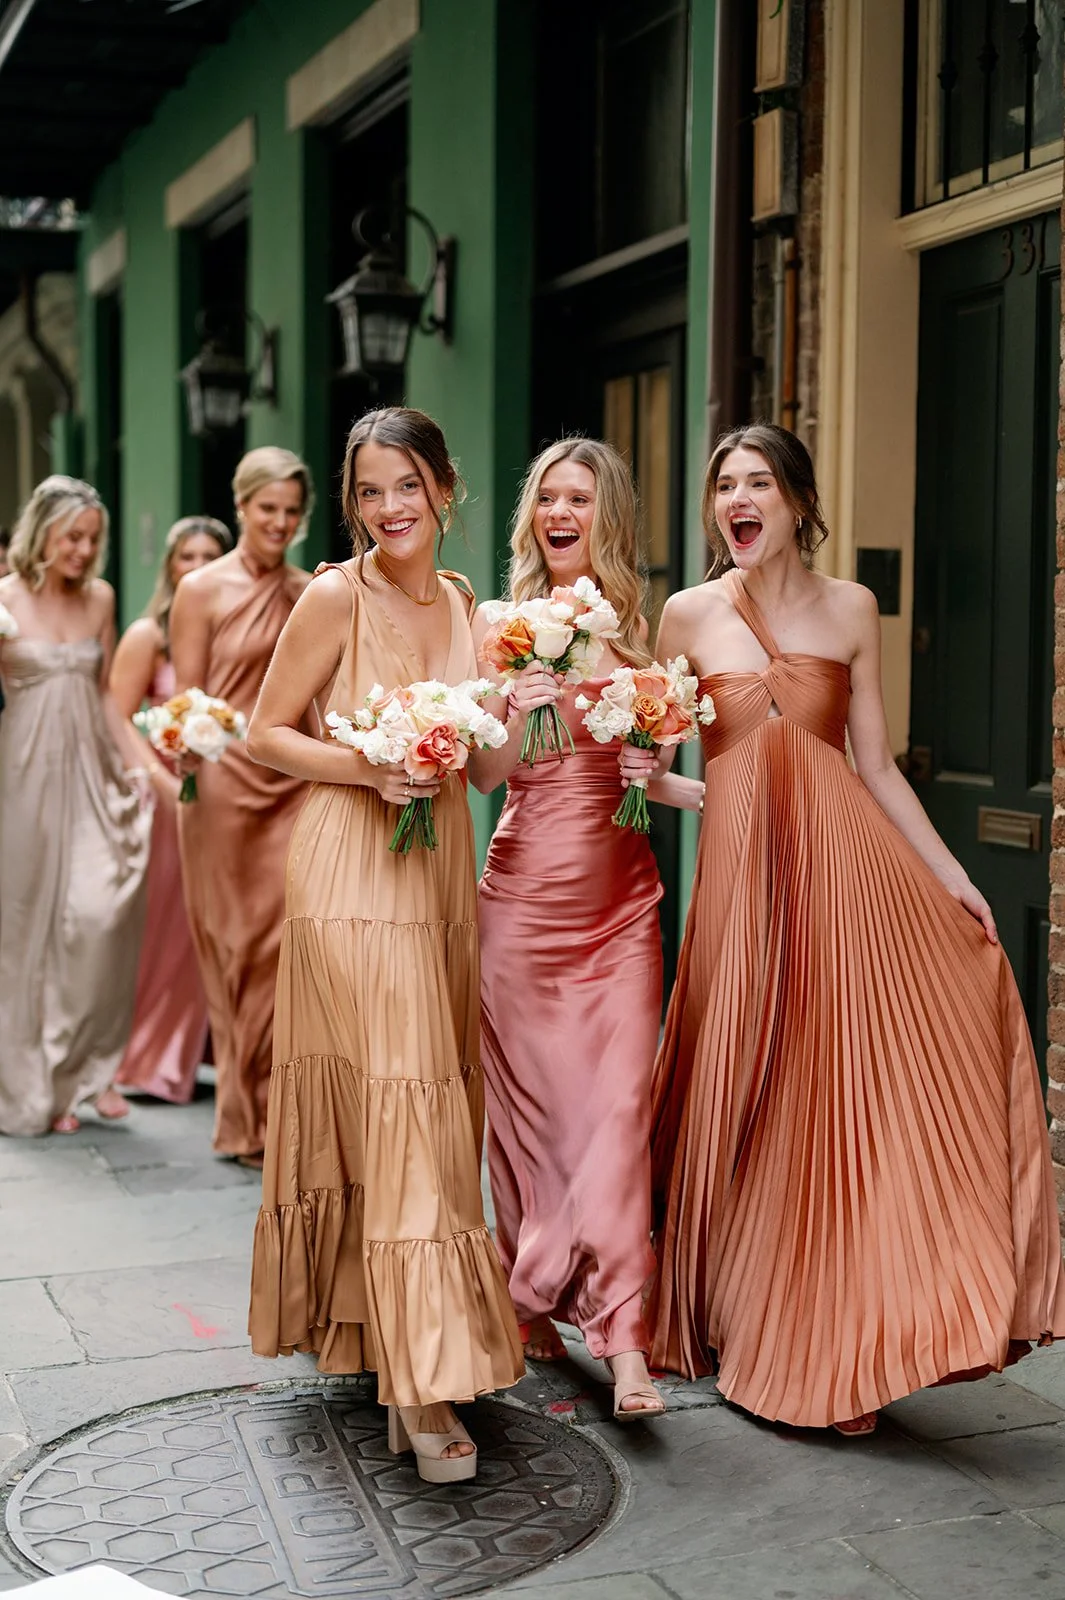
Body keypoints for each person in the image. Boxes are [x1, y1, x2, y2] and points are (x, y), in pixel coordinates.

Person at [647, 422, 1065, 1435]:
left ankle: (833, 1339)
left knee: (827, 1092)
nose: (736, 500)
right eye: (723, 487)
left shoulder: (852, 606)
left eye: (756, 483)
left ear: (796, 499)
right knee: (750, 1077)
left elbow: (875, 763)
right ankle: (741, 1310)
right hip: (746, 879)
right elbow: (660, 765)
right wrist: (675, 789)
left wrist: (954, 875)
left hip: (847, 871)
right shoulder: (687, 614)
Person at [247, 406, 522, 1483]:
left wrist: (529, 704)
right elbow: (269, 730)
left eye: (406, 484)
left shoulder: (465, 604)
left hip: (438, 861)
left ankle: (385, 1330)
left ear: (445, 488)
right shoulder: (332, 593)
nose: (388, 508)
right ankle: (421, 1386)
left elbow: (487, 773)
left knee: (415, 1096)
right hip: (350, 869)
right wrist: (370, 767)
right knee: (402, 1088)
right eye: (368, 490)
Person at [471, 438, 697, 1419]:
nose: (562, 511)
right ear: (534, 516)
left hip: (621, 903)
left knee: (613, 1117)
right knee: (529, 1120)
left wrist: (658, 764)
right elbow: (481, 777)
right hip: (522, 899)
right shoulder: (497, 622)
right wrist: (518, 710)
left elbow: (658, 756)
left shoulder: (638, 635)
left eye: (582, 497)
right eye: (549, 496)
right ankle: (531, 1305)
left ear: (606, 519)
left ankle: (625, 1339)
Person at [169, 448, 313, 1166]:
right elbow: (186, 697)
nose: (280, 523)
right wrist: (188, 749)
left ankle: (275, 1115)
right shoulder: (200, 589)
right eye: (268, 509)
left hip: (292, 783)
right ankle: (241, 1119)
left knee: (284, 946)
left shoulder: (308, 589)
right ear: (240, 506)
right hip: (223, 784)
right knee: (236, 951)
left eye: (291, 511)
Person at [0, 476, 151, 1136]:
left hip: (89, 772)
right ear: (42, 532)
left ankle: (75, 1070)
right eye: (72, 537)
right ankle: (32, 1085)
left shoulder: (100, 599)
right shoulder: (3, 598)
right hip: (20, 776)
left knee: (93, 917)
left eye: (93, 538)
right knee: (22, 928)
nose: (84, 550)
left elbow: (107, 699)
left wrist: (141, 767)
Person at [110, 517, 231, 1104]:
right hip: (168, 794)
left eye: (211, 555)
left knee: (219, 920)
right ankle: (153, 1055)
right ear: (170, 565)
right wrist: (156, 778)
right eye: (188, 555)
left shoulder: (230, 633)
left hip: (229, 789)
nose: (199, 565)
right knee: (172, 923)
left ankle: (209, 1048)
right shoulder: (148, 635)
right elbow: (115, 713)